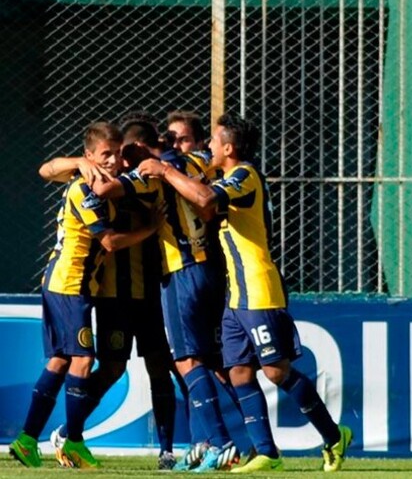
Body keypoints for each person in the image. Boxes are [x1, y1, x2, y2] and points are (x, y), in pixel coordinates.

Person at [138, 113, 353, 473]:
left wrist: (165, 171)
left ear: (229, 147)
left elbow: (205, 198)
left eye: (213, 140)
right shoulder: (225, 176)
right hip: (235, 294)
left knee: (275, 371)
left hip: (258, 288)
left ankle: (333, 436)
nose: (207, 145)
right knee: (237, 371)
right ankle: (267, 452)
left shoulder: (245, 175)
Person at [91, 119, 242, 472]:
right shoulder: (196, 161)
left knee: (187, 361)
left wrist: (88, 166)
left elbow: (105, 191)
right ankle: (232, 443)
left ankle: (222, 444)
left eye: (125, 155)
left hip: (181, 271)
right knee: (213, 363)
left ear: (138, 149)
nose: (122, 163)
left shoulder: (151, 171)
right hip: (212, 269)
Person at [8, 122, 160, 469]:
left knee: (61, 360)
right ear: (90, 156)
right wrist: (149, 228)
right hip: (70, 284)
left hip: (69, 283)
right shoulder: (85, 189)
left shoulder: (101, 182)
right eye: (105, 154)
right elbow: (108, 242)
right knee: (82, 360)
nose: (112, 160)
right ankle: (73, 440)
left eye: (117, 153)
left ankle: (28, 439)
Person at [38, 116, 181, 470]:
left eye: (122, 154)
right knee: (112, 367)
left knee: (159, 366)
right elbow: (47, 169)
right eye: (113, 155)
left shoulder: (145, 182)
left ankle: (166, 450)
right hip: (112, 296)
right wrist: (79, 162)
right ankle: (70, 432)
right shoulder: (96, 181)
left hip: (150, 292)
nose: (118, 161)